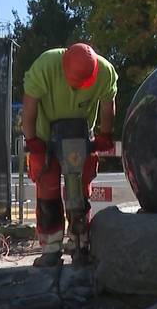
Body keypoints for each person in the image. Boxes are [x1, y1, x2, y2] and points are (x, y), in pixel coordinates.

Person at [22, 43, 118, 267]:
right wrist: (32, 140)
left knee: (81, 192)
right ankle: (50, 249)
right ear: (64, 65)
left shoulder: (105, 71)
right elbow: (29, 105)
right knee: (48, 191)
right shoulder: (45, 66)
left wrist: (105, 134)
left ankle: (80, 244)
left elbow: (107, 106)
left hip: (81, 137)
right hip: (45, 137)